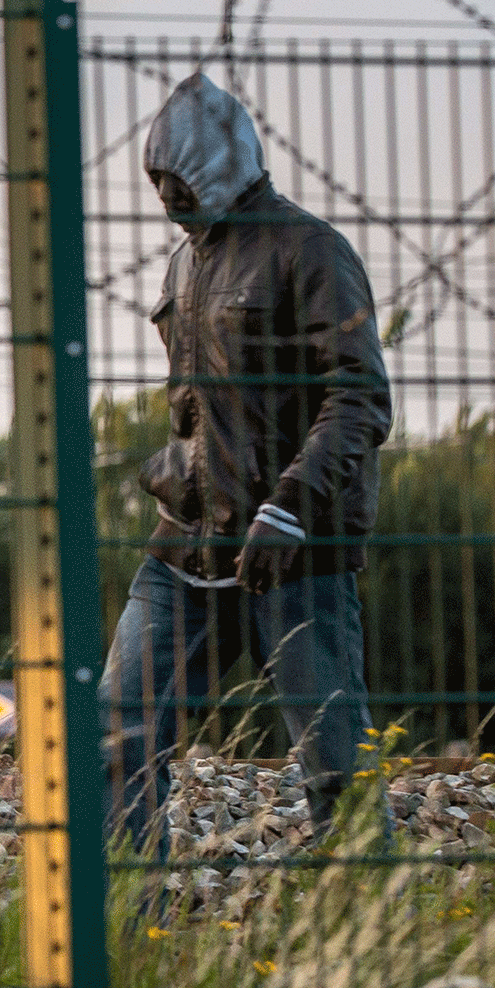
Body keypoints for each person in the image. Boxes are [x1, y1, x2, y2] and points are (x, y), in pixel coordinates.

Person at [101, 73, 392, 857]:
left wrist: (291, 505)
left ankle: (379, 925)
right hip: (184, 550)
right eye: (155, 179)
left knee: (333, 759)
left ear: (220, 163)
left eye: (177, 176)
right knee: (116, 738)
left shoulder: (313, 250)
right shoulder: (182, 266)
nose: (164, 194)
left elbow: (361, 396)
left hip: (296, 553)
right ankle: (127, 926)